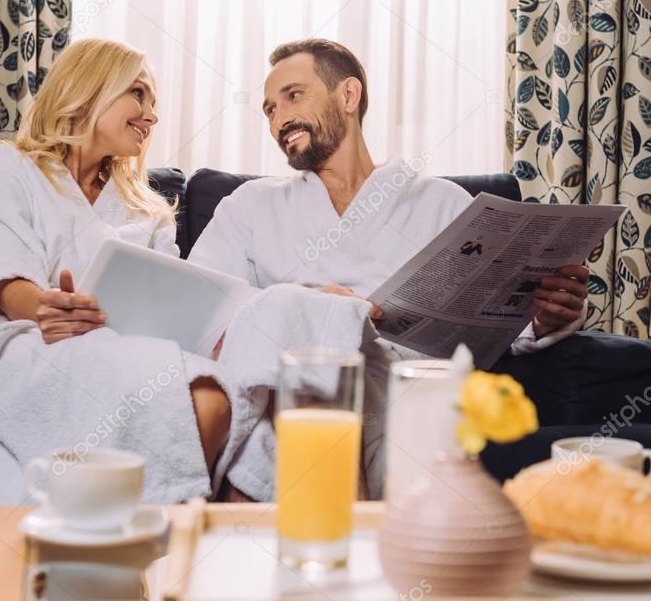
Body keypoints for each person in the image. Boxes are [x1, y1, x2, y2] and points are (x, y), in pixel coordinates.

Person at [0, 38, 368, 505]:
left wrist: (298, 300)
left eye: (154, 103)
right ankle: (126, 545)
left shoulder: (145, 211)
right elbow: (1, 278)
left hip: (99, 352)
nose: (152, 115)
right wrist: (44, 308)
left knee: (217, 392)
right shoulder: (7, 167)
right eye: (139, 95)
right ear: (89, 90)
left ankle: (157, 548)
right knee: (199, 396)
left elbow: (177, 310)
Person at [188, 38, 590, 495]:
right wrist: (316, 311)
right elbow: (203, 309)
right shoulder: (250, 205)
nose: (279, 118)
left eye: (293, 96)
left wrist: (545, 316)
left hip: (407, 389)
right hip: (291, 389)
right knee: (297, 318)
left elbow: (500, 321)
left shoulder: (442, 203)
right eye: (268, 110)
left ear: (348, 95)